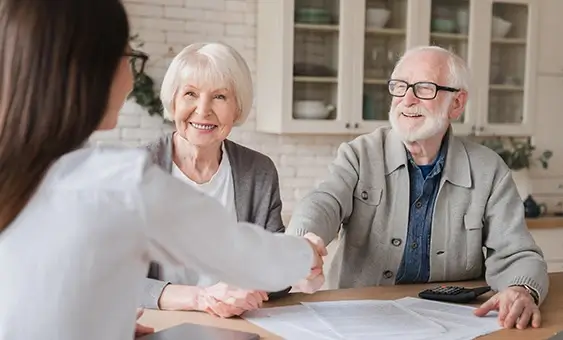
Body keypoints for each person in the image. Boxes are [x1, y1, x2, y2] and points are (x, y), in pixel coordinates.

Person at [0, 0, 326, 339]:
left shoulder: (25, 172)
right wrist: (306, 253)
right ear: (94, 70)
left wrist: (102, 321)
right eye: (129, 59)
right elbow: (240, 253)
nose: (131, 78)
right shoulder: (120, 183)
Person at [286, 45, 549, 330]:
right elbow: (324, 201)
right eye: (399, 87)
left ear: (457, 104)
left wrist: (522, 289)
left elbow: (517, 253)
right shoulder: (359, 154)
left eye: (424, 89)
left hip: (454, 322)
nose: (407, 99)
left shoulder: (490, 170)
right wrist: (301, 242)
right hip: (360, 320)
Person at [142, 42, 290, 317]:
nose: (203, 110)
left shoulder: (258, 171)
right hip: (158, 324)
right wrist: (202, 298)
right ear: (173, 101)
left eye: (220, 97)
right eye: (190, 94)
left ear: (238, 107)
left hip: (238, 325)